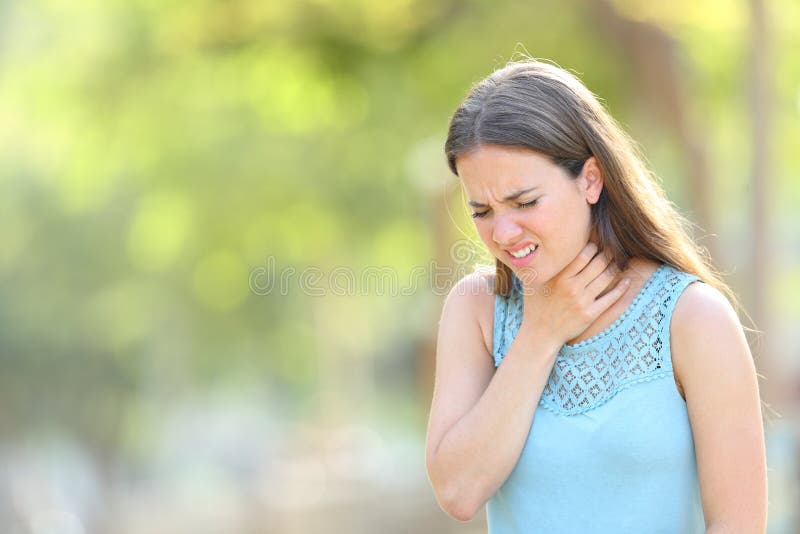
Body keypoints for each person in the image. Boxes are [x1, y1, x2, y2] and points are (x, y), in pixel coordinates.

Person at [424, 59, 767, 533]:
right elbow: (458, 492)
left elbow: (739, 523)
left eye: (525, 202)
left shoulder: (692, 318)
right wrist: (540, 334)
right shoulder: (476, 310)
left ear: (590, 179)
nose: (503, 232)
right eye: (481, 210)